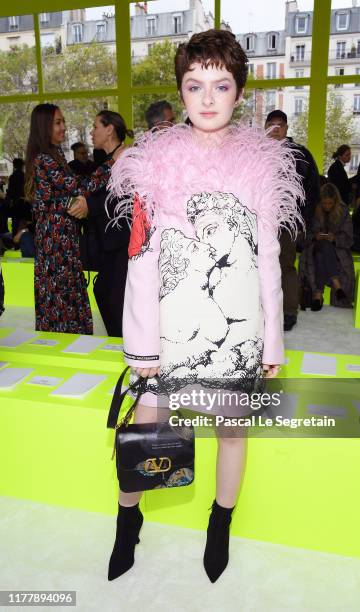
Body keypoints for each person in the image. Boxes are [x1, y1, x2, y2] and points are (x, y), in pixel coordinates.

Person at [107, 28, 302, 584]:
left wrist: (271, 341)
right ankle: (128, 522)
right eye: (196, 86)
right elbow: (141, 261)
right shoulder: (153, 165)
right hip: (170, 334)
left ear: (240, 92)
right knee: (147, 431)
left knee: (233, 429)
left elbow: (269, 262)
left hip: (237, 330)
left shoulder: (262, 167)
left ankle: (220, 525)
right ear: (182, 92)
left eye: (221, 85)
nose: (209, 98)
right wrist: (142, 346)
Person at [25, 103, 117, 334]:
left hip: (63, 241)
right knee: (61, 300)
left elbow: (69, 193)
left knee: (66, 299)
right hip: (55, 245)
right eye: (58, 122)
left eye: (63, 122)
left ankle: (71, 347)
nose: (64, 127)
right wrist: (113, 162)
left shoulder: (55, 156)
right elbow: (78, 187)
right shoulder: (44, 159)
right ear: (44, 126)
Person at [70, 110, 134, 337]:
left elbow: (123, 199)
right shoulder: (108, 160)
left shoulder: (128, 157)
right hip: (107, 244)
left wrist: (91, 205)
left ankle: (127, 350)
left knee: (113, 298)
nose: (91, 131)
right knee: (105, 293)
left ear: (109, 129)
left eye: (96, 126)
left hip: (123, 244)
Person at [265, 109, 320, 331]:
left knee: (286, 266)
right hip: (261, 219)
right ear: (266, 126)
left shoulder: (300, 154)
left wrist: (302, 221)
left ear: (286, 128)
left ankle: (289, 312)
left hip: (288, 220)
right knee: (258, 267)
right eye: (272, 124)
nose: (276, 129)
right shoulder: (255, 152)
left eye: (280, 125)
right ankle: (262, 310)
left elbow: (312, 190)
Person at [299, 183, 355, 310]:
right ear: (320, 202)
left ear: (335, 202)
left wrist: (335, 238)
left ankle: (318, 295)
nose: (327, 206)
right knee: (322, 247)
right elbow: (304, 236)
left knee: (321, 253)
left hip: (336, 249)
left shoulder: (344, 211)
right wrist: (314, 236)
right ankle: (337, 285)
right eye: (324, 203)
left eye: (330, 203)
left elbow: (349, 238)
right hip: (314, 246)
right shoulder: (314, 210)